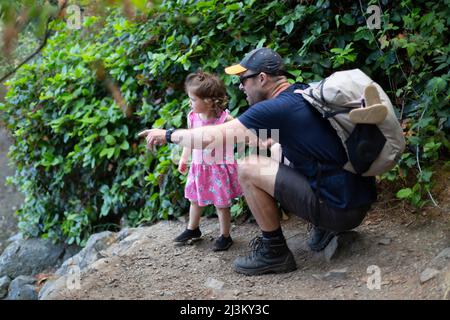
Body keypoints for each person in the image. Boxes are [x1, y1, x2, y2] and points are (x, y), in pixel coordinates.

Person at [139, 47, 377, 276]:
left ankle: (274, 251)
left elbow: (210, 138)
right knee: (275, 149)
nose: (241, 87)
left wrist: (168, 135)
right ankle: (324, 228)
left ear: (261, 78)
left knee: (247, 167)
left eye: (244, 80)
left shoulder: (275, 108)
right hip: (355, 199)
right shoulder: (300, 93)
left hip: (340, 209)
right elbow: (265, 140)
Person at [175, 71, 242, 251]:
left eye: (193, 99)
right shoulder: (193, 117)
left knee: (221, 204)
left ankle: (225, 235)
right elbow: (190, 139)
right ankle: (192, 228)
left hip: (218, 167)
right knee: (195, 200)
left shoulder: (224, 119)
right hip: (199, 167)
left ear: (209, 101)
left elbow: (240, 133)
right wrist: (184, 158)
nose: (190, 102)